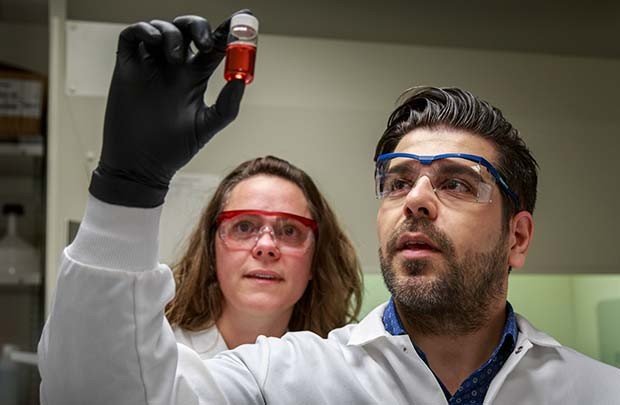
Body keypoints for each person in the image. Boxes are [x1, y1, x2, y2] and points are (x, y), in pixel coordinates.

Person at [38, 13, 620, 405]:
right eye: (397, 183)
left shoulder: (596, 392)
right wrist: (126, 188)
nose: (415, 199)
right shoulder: (283, 378)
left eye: (457, 183)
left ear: (518, 238)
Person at [166, 155, 362, 358]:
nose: (266, 246)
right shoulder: (157, 353)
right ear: (211, 249)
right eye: (244, 227)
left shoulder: (337, 365)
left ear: (315, 259)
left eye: (289, 231)